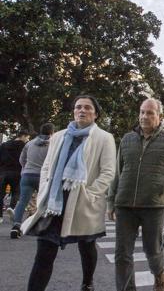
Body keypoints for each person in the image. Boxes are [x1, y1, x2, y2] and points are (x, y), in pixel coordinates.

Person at [21, 95, 116, 291]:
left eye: (87, 108)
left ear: (96, 114)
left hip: (83, 202)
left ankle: (87, 282)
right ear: (73, 111)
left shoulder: (104, 138)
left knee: (87, 245)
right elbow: (47, 167)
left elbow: (108, 172)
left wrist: (90, 194)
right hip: (54, 202)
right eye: (78, 107)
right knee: (44, 252)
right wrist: (44, 192)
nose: (82, 110)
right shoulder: (59, 136)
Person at [107, 98, 164, 291]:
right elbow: (117, 173)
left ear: (160, 116)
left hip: (154, 205)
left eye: (150, 113)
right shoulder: (127, 139)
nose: (144, 116)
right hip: (125, 204)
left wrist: (163, 185)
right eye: (142, 112)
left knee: (152, 250)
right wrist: (111, 201)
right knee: (122, 254)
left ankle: (159, 276)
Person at [9, 123, 55, 238]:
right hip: (43, 177)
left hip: (27, 175)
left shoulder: (29, 143)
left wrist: (26, 168)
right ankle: (44, 227)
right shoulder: (52, 145)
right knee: (45, 202)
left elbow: (21, 159)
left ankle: (16, 227)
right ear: (51, 133)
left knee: (22, 201)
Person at [0, 129, 30, 223]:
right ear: (23, 136)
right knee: (16, 192)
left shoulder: (4, 145)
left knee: (0, 194)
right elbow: (26, 159)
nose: (28, 140)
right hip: (17, 172)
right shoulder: (25, 146)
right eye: (28, 138)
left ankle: (0, 216)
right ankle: (11, 208)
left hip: (3, 172)